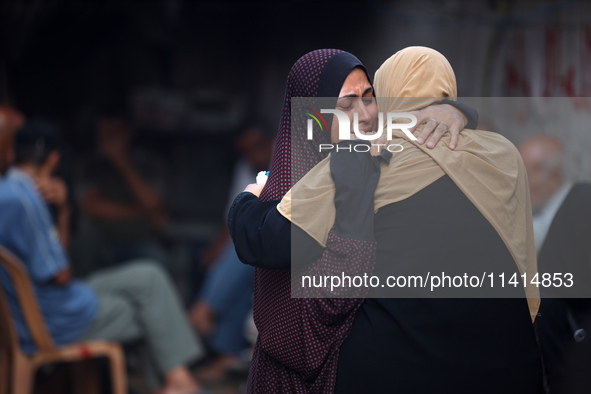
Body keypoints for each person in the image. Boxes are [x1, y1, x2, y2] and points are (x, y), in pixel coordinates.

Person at [227, 49, 503, 392]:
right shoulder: (326, 169)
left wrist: (249, 198)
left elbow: (265, 239)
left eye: (369, 98)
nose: (364, 115)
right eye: (346, 104)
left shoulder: (370, 162)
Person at [0, 115, 205, 394]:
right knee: (148, 308)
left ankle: (178, 381)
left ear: (12, 154)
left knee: (149, 276)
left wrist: (63, 210)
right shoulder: (25, 200)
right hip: (53, 316)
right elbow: (61, 274)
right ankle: (179, 383)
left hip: (40, 304)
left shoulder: (9, 191)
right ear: (54, 159)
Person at [189, 123, 273, 380]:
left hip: (283, 238)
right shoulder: (246, 168)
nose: (253, 155)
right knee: (229, 260)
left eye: (257, 147)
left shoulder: (294, 161)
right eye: (246, 151)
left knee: (247, 248)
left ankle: (204, 310)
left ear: (273, 141)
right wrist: (216, 251)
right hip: (259, 239)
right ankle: (226, 355)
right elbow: (235, 217)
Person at [519, 136, 591, 393]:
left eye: (525, 172)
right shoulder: (541, 214)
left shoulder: (582, 204)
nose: (518, 182)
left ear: (554, 174)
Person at [79, 115, 169, 266]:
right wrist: (142, 212)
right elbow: (94, 207)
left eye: (114, 133)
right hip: (100, 240)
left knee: (159, 261)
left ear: (128, 133)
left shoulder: (149, 163)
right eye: (104, 133)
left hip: (141, 239)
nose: (108, 139)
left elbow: (152, 203)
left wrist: (122, 162)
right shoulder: (90, 165)